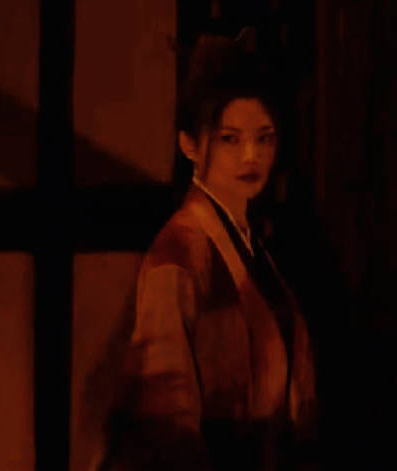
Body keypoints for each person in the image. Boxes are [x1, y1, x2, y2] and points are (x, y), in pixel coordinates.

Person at [102, 28, 320, 470]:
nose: (250, 156)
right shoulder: (182, 251)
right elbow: (165, 411)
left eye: (264, 138)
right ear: (189, 144)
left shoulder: (251, 248)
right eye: (230, 139)